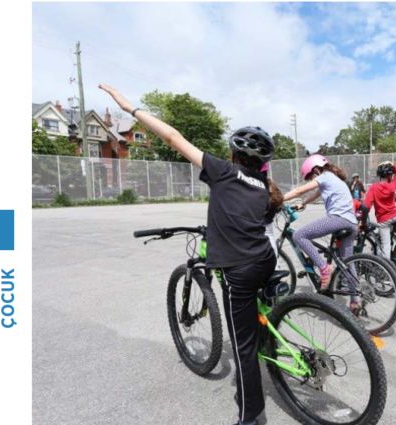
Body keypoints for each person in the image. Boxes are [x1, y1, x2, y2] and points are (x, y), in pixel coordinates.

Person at [99, 84, 278, 425]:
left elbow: (172, 136)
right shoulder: (265, 187)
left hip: (239, 269)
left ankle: (251, 415)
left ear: (234, 155)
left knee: (242, 347)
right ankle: (271, 338)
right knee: (257, 308)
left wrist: (131, 108)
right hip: (264, 259)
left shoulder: (224, 172)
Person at [282, 154, 360, 310]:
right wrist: (303, 203)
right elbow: (315, 194)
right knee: (347, 262)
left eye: (311, 176)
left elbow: (298, 190)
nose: (311, 179)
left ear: (316, 169)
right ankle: (355, 300)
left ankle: (324, 268)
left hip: (337, 218)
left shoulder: (324, 176)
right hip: (352, 223)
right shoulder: (334, 179)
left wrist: (277, 200)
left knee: (299, 235)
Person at [363, 161, 396, 259]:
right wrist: (392, 164)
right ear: (390, 176)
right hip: (395, 216)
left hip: (384, 220)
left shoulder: (373, 188)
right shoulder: (392, 186)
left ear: (379, 175)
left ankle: (386, 268)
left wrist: (362, 220)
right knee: (390, 237)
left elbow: (366, 206)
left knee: (386, 245)